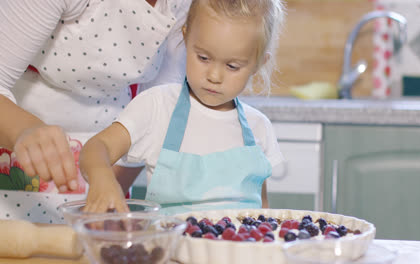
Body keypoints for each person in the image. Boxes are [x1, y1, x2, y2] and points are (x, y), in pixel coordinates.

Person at [81, 0, 286, 215]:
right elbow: (96, 148)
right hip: (173, 248)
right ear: (186, 37)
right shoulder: (156, 107)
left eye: (232, 66)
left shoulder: (259, 128)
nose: (214, 76)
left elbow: (263, 213)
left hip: (240, 249)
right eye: (203, 58)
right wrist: (102, 179)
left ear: (258, 64)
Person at [0, 0, 191, 223]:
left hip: (110, 172)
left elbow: (154, 114)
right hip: (12, 180)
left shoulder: (182, 5)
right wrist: (23, 129)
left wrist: (107, 193)